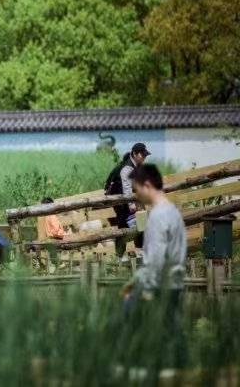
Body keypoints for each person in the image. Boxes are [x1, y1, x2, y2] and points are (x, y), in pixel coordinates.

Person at [121, 164, 186, 367]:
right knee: (171, 332)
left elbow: (155, 260)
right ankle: (178, 370)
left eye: (136, 189)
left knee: (132, 322)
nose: (135, 194)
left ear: (147, 185)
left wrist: (141, 287)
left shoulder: (158, 216)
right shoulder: (173, 212)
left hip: (158, 284)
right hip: (174, 282)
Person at [105, 143, 150, 261]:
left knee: (141, 221)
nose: (144, 157)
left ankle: (140, 251)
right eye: (142, 155)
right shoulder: (127, 168)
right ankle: (120, 255)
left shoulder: (137, 165)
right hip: (120, 198)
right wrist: (131, 204)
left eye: (145, 155)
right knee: (123, 225)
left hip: (130, 196)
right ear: (135, 154)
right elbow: (126, 187)